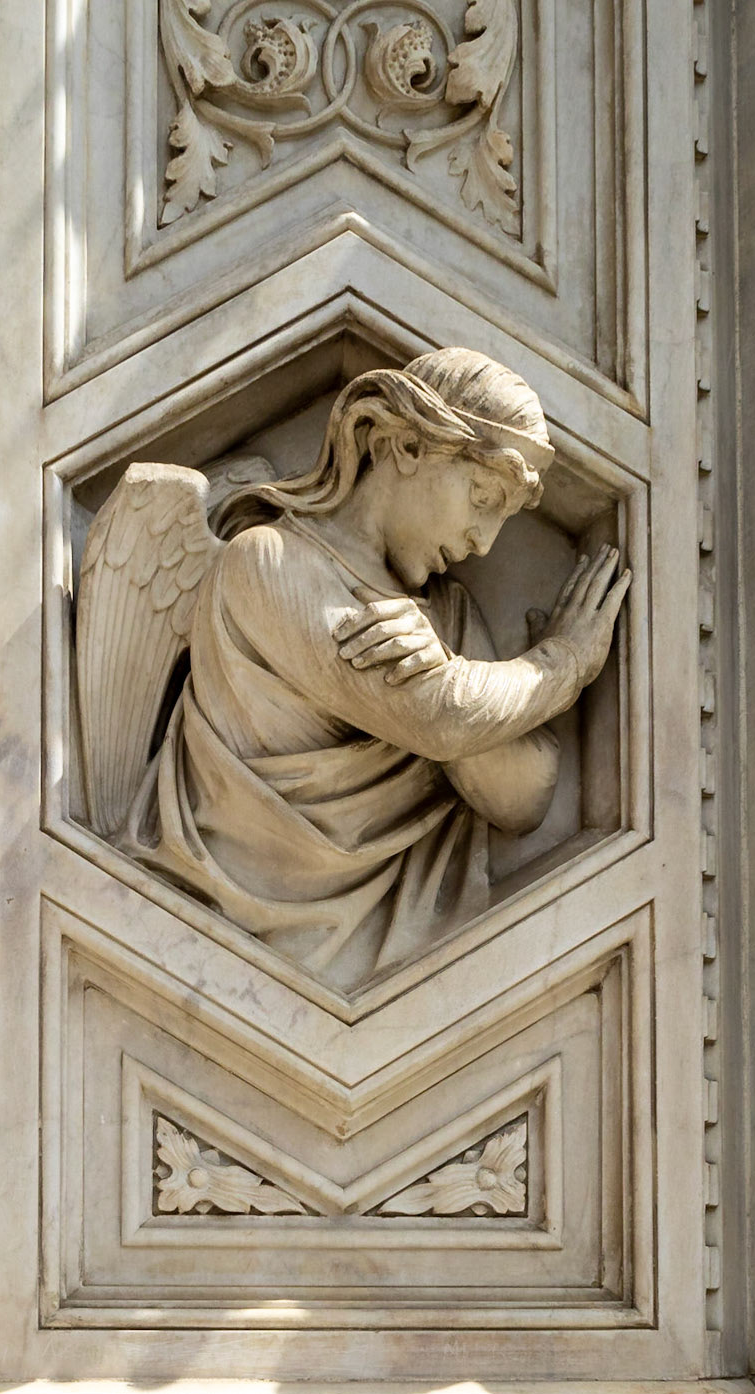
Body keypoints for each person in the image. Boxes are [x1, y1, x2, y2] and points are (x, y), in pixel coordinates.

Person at [121, 348, 631, 991]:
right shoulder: (269, 561)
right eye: (482, 497)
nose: (485, 542)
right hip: (209, 954)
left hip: (391, 980)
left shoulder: (444, 615)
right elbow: (441, 718)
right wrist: (562, 664)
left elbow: (523, 794)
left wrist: (455, 697)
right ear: (406, 445)